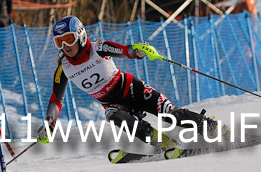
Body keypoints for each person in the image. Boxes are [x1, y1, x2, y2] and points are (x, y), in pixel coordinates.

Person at [37, 15, 220, 151]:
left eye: (68, 39)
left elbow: (126, 51)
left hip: (133, 89)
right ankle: (164, 144)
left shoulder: (97, 48)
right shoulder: (64, 68)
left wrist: (139, 50)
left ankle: (215, 129)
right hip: (112, 103)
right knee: (114, 116)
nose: (65, 46)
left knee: (170, 115)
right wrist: (49, 123)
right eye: (59, 42)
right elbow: (56, 99)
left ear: (80, 35)